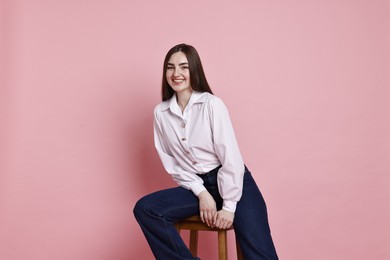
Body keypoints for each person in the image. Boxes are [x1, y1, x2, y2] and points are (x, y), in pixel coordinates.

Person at [133, 43, 278, 260]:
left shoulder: (212, 104)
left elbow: (230, 158)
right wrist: (202, 193)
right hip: (195, 186)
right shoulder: (161, 113)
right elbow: (172, 163)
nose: (177, 73)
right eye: (170, 67)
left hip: (234, 182)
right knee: (146, 209)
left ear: (194, 69)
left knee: (261, 254)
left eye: (184, 67)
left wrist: (229, 207)